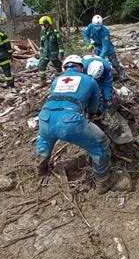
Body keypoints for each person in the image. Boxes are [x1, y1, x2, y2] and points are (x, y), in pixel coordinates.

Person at [35, 55, 119, 193]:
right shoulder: (89, 80)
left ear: (64, 68)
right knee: (101, 142)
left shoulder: (57, 79)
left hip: (45, 117)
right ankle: (103, 182)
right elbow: (94, 106)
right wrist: (92, 115)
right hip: (69, 121)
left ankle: (41, 169)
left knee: (45, 140)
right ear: (81, 67)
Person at [83, 15, 127, 81]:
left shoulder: (105, 31)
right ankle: (102, 75)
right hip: (97, 46)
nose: (97, 27)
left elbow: (105, 47)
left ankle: (122, 73)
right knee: (99, 63)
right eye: (95, 26)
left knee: (114, 62)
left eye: (98, 26)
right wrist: (88, 44)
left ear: (101, 24)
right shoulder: (90, 26)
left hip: (108, 47)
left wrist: (101, 57)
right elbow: (85, 35)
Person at [38, 16, 64, 87]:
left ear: (48, 24)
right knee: (41, 66)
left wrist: (61, 55)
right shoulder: (43, 32)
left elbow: (60, 44)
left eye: (43, 25)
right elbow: (42, 44)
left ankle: (61, 80)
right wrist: (41, 53)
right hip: (45, 54)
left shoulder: (55, 33)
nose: (42, 27)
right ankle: (43, 81)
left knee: (58, 67)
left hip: (54, 54)